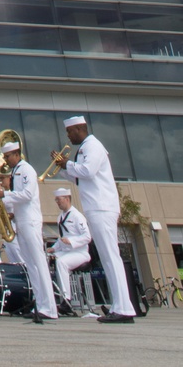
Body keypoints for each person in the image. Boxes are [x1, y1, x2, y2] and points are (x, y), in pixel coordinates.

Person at [50, 113, 136, 323]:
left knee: (110, 257)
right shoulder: (85, 148)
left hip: (102, 207)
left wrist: (67, 164)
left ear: (80, 129)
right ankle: (119, 305)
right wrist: (63, 168)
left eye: (70, 132)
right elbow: (80, 179)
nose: (68, 137)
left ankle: (124, 309)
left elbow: (87, 171)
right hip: (97, 207)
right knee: (107, 258)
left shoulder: (92, 146)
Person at [0, 138, 57, 321]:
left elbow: (28, 194)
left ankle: (50, 307)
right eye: (5, 156)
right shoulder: (16, 171)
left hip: (30, 220)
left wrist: (5, 194)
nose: (6, 160)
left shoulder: (26, 169)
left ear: (17, 154)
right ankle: (41, 303)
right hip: (21, 221)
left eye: (8, 156)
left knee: (39, 262)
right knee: (31, 265)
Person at [47, 186, 91, 309]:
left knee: (61, 263)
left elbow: (87, 237)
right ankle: (48, 296)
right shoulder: (60, 217)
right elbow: (62, 238)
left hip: (80, 253)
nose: (57, 202)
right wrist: (54, 248)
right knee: (45, 259)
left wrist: (71, 241)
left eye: (58, 199)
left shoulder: (77, 216)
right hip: (66, 251)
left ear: (66, 198)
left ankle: (66, 299)